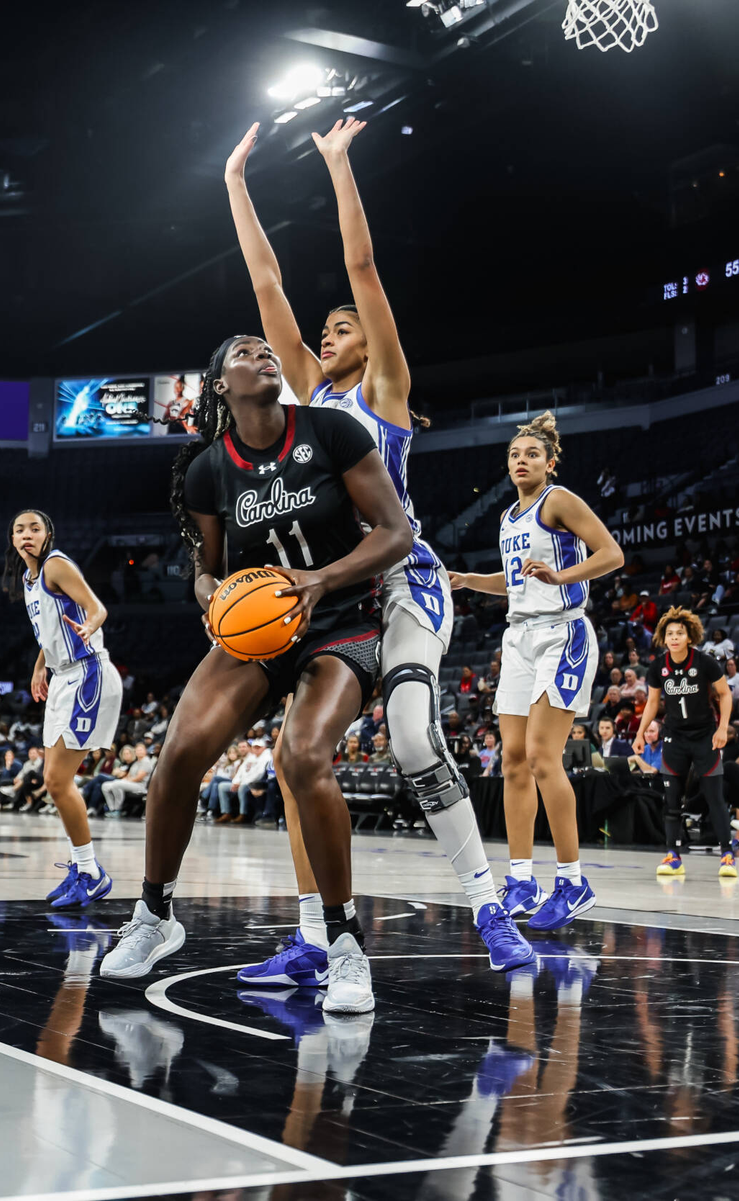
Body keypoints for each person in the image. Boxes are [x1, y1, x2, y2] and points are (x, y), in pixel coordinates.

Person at [221, 117, 529, 990]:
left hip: (401, 580)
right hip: (331, 594)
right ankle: (316, 937)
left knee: (408, 736)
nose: (329, 332)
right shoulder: (308, 398)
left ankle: (487, 903)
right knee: (294, 758)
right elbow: (266, 280)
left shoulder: (384, 394)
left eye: (344, 327)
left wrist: (337, 163)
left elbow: (361, 268)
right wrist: (236, 184)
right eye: (325, 330)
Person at [97, 328, 418, 1016]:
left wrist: (321, 579)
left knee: (303, 755)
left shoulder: (330, 430)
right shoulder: (209, 470)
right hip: (259, 630)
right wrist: (210, 593)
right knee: (178, 753)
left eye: (266, 348)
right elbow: (208, 570)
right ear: (220, 386)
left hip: (341, 619)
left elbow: (397, 533)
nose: (262, 354)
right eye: (243, 353)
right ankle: (154, 915)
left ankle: (345, 945)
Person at [451, 412, 624, 932]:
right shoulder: (508, 518)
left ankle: (573, 882)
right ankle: (522, 880)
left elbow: (612, 554)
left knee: (546, 758)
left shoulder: (559, 500)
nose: (520, 461)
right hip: (520, 637)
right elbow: (514, 584)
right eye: (513, 455)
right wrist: (466, 580)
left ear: (550, 463)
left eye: (530, 455)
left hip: (563, 634)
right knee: (514, 761)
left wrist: (562, 574)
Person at [7, 508, 124, 906]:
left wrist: (91, 625)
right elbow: (50, 630)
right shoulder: (29, 579)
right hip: (61, 676)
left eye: (34, 528)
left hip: (87, 672)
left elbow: (96, 607)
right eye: (19, 529)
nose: (26, 534)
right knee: (54, 781)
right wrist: (41, 665)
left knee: (57, 780)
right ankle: (84, 868)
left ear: (47, 534)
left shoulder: (56, 565)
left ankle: (91, 871)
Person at [632, 608, 734, 877]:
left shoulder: (705, 662)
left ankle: (727, 855)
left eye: (680, 633)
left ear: (690, 637)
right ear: (663, 639)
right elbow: (653, 703)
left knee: (715, 797)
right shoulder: (658, 667)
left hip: (704, 736)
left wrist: (722, 728)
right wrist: (640, 733)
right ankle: (673, 856)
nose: (674, 637)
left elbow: (725, 694)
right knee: (672, 800)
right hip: (674, 737)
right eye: (670, 634)